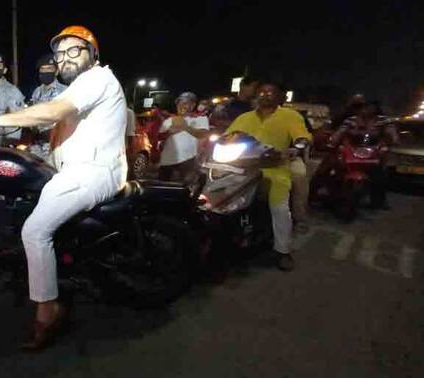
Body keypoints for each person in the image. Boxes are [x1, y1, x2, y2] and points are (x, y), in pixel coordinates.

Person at [0, 25, 127, 350]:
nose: (64, 58)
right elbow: (44, 116)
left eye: (73, 50)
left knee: (35, 231)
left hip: (93, 172)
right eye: (60, 54)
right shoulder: (77, 87)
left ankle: (49, 313)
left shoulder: (97, 79)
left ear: (93, 53)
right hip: (72, 171)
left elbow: (51, 111)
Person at [226, 81, 312, 271]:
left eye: (271, 92)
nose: (265, 95)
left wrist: (297, 147)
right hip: (241, 166)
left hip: (275, 168)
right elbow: (228, 135)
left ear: (280, 97)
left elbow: (302, 136)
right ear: (256, 96)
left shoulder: (290, 116)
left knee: (279, 207)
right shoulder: (245, 117)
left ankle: (283, 251)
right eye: (262, 92)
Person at [323, 101, 397, 209]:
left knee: (380, 175)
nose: (367, 110)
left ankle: (378, 201)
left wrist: (390, 142)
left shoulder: (384, 120)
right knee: (332, 169)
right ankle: (330, 196)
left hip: (374, 152)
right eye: (365, 108)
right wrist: (332, 143)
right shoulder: (351, 120)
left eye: (371, 108)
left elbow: (392, 134)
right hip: (352, 150)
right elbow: (340, 132)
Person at [157, 92, 210, 183]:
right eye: (179, 103)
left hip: (188, 161)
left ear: (193, 105)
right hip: (167, 161)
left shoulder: (200, 119)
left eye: (185, 103)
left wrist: (185, 127)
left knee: (184, 189)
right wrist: (169, 132)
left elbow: (203, 134)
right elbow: (160, 137)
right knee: (163, 189)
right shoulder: (169, 120)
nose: (181, 106)